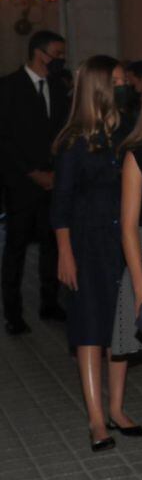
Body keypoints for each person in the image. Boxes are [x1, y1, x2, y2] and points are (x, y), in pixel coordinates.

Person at [51, 55, 141, 452]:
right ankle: (95, 418)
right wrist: (64, 253)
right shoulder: (73, 140)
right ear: (101, 86)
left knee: (121, 327)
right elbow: (61, 204)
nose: (124, 85)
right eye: (118, 79)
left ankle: (118, 409)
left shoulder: (126, 131)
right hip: (87, 245)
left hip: (122, 242)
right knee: (89, 330)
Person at [0, 30, 71, 335]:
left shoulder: (58, 87)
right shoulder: (8, 87)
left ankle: (49, 301)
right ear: (39, 53)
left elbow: (63, 131)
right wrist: (32, 171)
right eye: (57, 53)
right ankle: (13, 312)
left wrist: (57, 172)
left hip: (53, 181)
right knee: (15, 248)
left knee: (51, 245)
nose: (61, 60)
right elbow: (5, 139)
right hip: (21, 183)